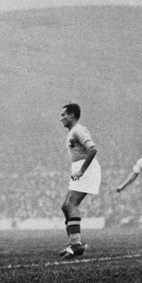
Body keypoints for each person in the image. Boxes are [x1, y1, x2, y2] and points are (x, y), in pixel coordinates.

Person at [59, 102, 101, 259]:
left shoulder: (79, 130)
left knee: (71, 205)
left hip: (86, 170)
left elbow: (93, 149)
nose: (61, 118)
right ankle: (74, 243)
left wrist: (82, 171)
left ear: (71, 115)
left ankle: (76, 245)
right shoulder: (73, 131)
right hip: (79, 169)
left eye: (63, 115)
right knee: (65, 206)